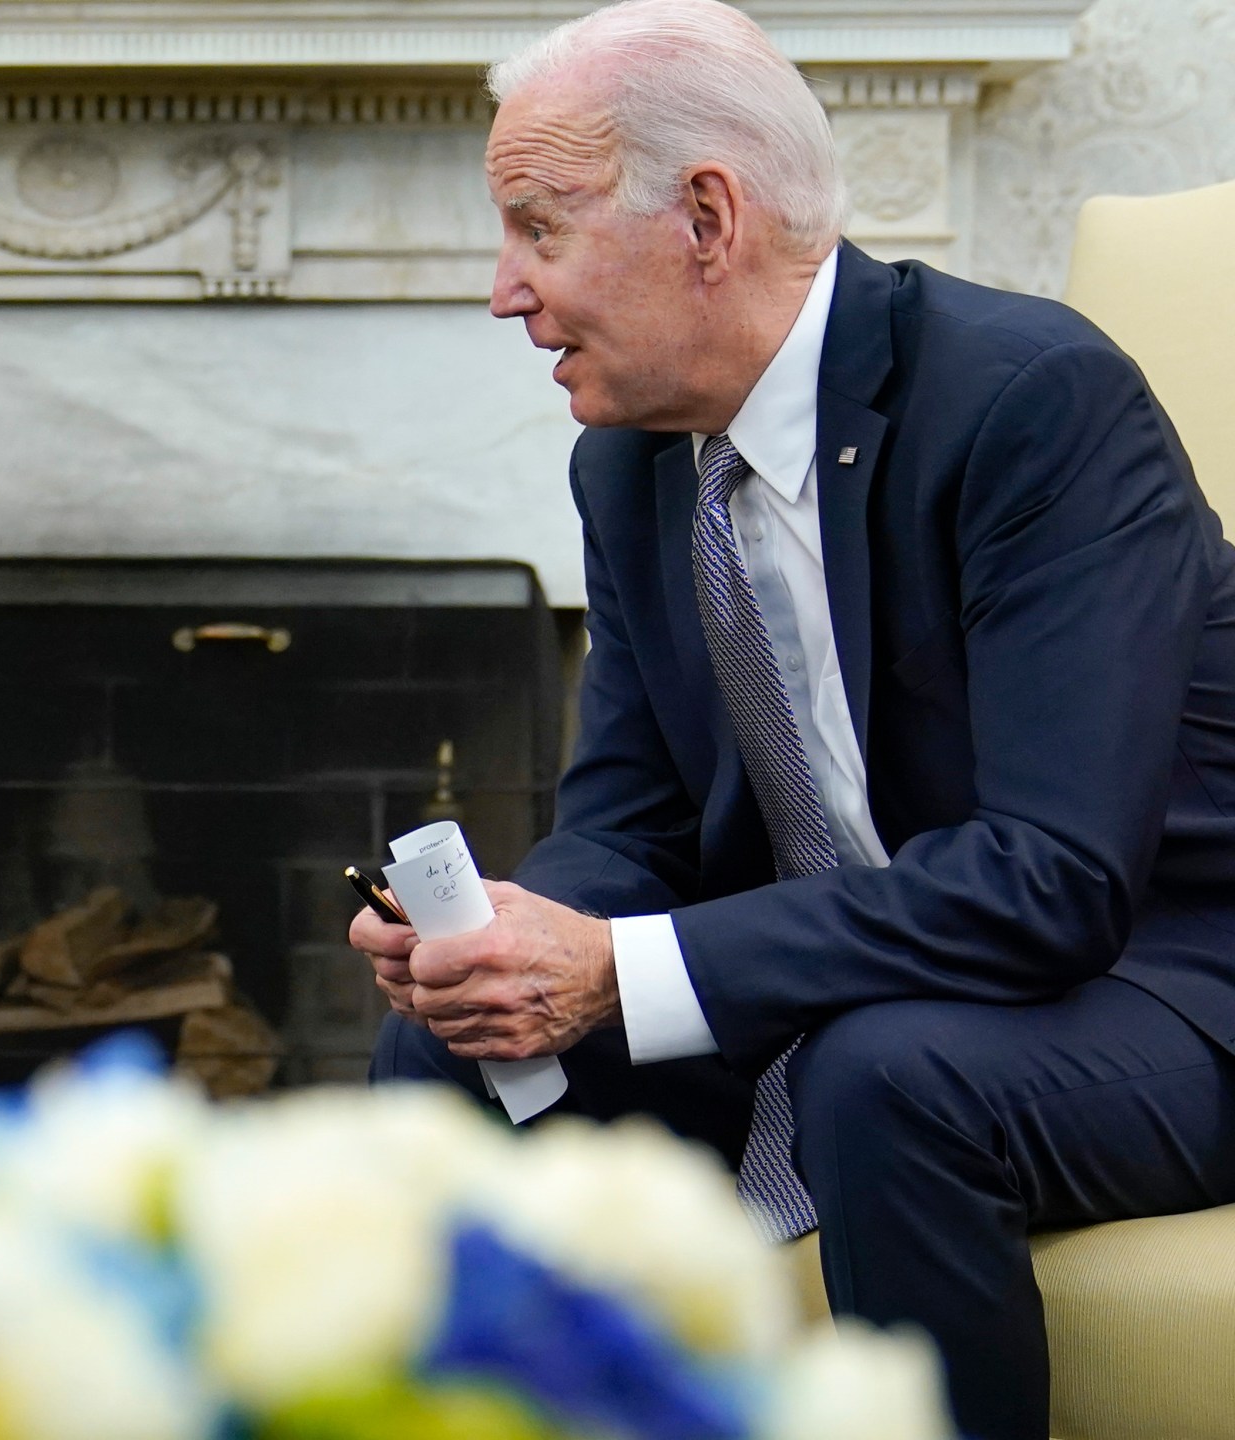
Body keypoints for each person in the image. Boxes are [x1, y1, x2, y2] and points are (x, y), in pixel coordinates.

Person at [353, 3, 1235, 1435]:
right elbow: (629, 824)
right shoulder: (632, 468)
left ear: (707, 215)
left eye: (538, 228)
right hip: (858, 990)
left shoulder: (1035, 403)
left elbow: (1054, 881)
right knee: (447, 1050)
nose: (504, 290)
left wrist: (625, 972)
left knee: (892, 1074)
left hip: (1166, 984)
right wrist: (510, 942)